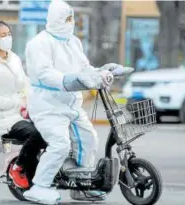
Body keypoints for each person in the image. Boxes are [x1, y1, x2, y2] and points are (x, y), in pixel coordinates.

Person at [22, 0, 123, 204]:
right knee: (60, 144)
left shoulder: (73, 42)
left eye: (71, 18)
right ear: (55, 19)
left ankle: (81, 185)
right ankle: (39, 186)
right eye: (66, 19)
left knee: (89, 139)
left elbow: (84, 67)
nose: (70, 23)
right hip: (47, 106)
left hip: (71, 104)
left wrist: (101, 72)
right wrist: (71, 80)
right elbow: (45, 74)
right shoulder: (38, 44)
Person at [0, 21, 47, 189]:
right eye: (3, 35)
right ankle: (18, 167)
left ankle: (41, 174)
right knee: (37, 135)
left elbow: (25, 83)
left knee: (52, 130)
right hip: (7, 119)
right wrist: (11, 103)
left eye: (9, 34)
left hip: (24, 112)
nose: (8, 38)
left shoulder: (14, 58)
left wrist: (40, 94)